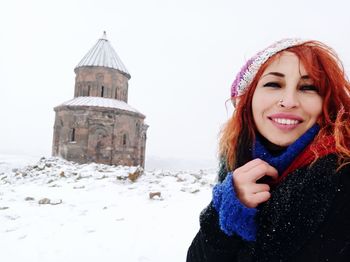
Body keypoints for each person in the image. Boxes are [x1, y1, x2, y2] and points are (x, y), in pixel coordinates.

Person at [186, 38, 350, 262]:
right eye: (274, 84)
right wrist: (228, 211)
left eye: (308, 87)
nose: (289, 101)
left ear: (327, 102)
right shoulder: (234, 166)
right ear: (248, 100)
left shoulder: (342, 177)